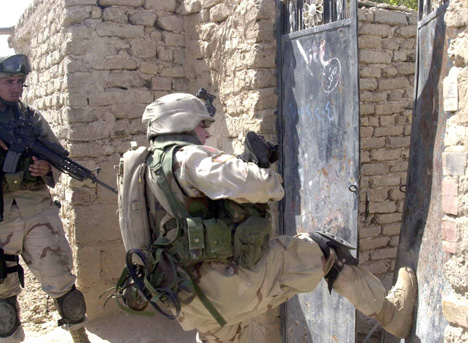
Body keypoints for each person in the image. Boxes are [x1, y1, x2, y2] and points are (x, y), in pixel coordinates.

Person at [128, 92, 417, 343]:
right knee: (323, 252)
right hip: (224, 290)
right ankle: (394, 316)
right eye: (201, 125)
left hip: (189, 296)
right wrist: (259, 166)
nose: (205, 133)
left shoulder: (147, 167)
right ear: (181, 124)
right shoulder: (189, 157)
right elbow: (264, 186)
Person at [0, 54, 90, 343]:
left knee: (62, 279)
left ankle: (79, 335)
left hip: (36, 208)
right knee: (2, 293)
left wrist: (46, 168)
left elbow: (56, 154)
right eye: (9, 81)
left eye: (20, 82)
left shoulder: (30, 117)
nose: (16, 88)